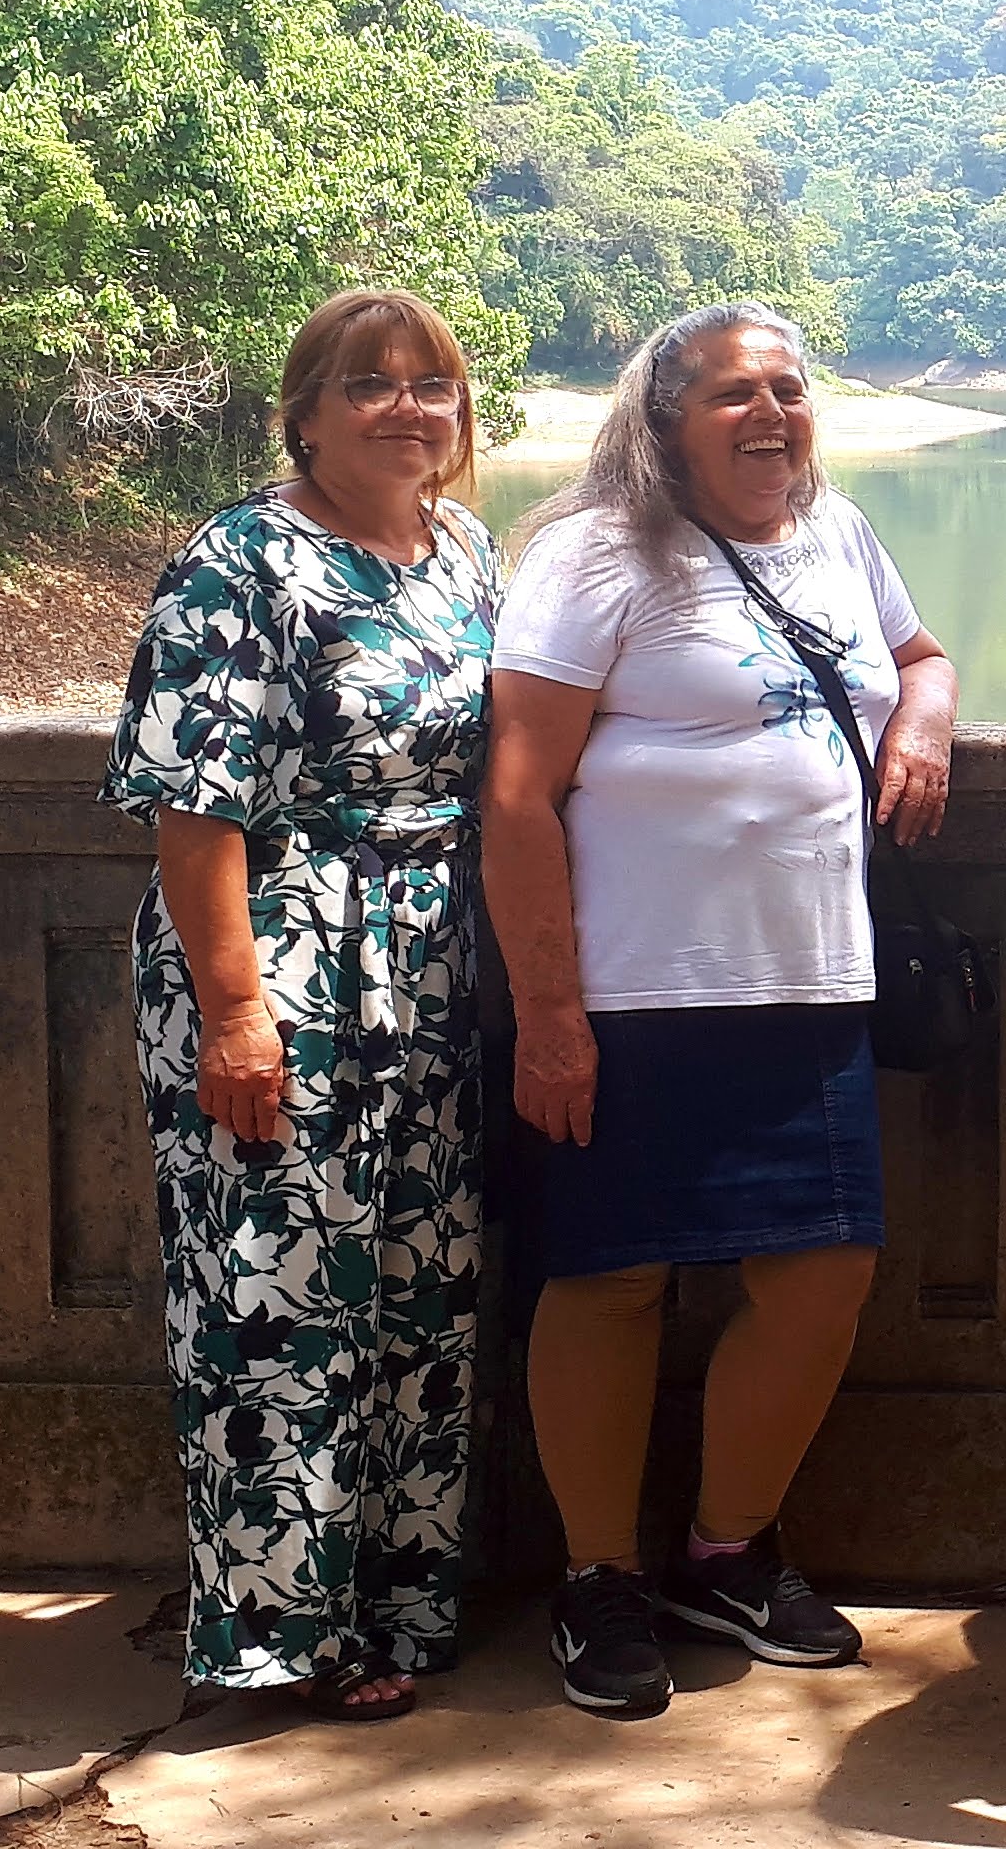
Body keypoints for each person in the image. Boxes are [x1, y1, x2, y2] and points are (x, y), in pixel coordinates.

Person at [482, 302, 957, 1721]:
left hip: (809, 982)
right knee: (612, 1279)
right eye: (734, 395)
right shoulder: (592, 554)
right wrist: (551, 1016)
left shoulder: (839, 534)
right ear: (663, 420)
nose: (771, 415)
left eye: (791, 390)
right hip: (636, 991)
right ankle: (596, 1577)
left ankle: (726, 1551)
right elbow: (516, 794)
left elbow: (918, 656)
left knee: (822, 1275)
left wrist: (922, 721)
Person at [103, 287, 502, 1720]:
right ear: (306, 410)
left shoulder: (462, 550)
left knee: (417, 1289)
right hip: (284, 956)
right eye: (369, 383)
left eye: (431, 383)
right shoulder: (242, 559)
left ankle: (401, 1600)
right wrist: (234, 1016)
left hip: (435, 963)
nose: (408, 406)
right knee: (277, 1289)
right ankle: (287, 1628)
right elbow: (190, 810)